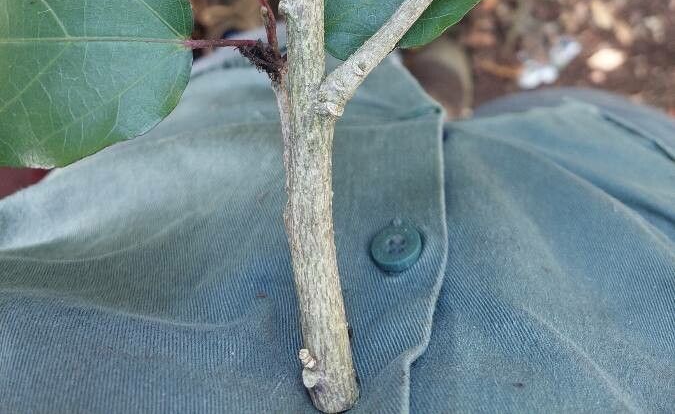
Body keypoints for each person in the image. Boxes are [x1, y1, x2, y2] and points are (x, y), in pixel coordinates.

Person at [0, 44, 673, 413]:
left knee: (253, 80)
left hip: (188, 172)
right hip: (597, 209)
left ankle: (371, 73)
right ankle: (424, 89)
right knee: (567, 113)